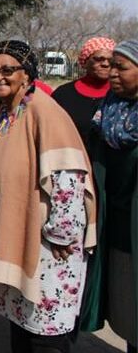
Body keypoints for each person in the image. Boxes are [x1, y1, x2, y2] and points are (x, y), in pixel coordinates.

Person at [0, 40, 96, 353]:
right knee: (22, 325)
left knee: (45, 331)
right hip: (22, 235)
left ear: (27, 73)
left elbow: (68, 175)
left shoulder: (44, 111)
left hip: (50, 244)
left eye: (8, 70)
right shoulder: (8, 110)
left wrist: (61, 233)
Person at [80, 39, 138, 353]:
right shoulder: (109, 109)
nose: (112, 73)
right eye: (111, 66)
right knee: (128, 303)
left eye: (121, 67)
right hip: (117, 224)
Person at [52, 37, 116, 144]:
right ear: (85, 62)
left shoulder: (121, 95)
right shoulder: (63, 94)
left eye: (111, 60)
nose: (105, 64)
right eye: (98, 59)